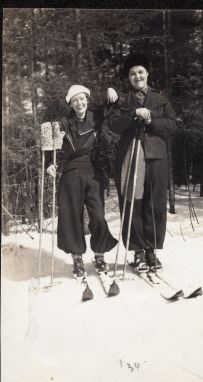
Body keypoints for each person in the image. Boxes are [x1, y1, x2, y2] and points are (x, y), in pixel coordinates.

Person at [106, 53, 176, 272]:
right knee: (132, 202)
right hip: (131, 155)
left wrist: (150, 119)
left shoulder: (160, 98)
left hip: (156, 156)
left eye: (140, 72)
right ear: (128, 78)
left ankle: (151, 251)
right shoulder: (123, 100)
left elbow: (172, 125)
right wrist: (132, 114)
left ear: (147, 74)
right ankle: (137, 251)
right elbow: (113, 124)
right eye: (132, 73)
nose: (137, 76)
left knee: (154, 203)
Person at [46, 85, 118, 278]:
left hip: (93, 171)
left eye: (82, 99)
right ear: (70, 103)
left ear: (87, 99)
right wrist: (49, 163)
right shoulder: (63, 122)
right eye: (75, 100)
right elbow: (49, 141)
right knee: (71, 216)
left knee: (98, 215)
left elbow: (110, 106)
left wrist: (110, 91)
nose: (80, 103)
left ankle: (99, 255)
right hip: (71, 171)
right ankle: (77, 258)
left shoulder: (96, 117)